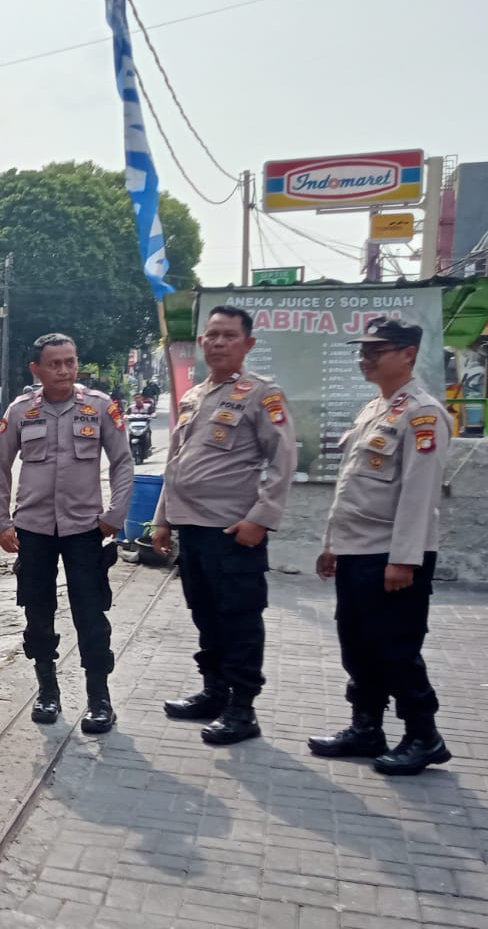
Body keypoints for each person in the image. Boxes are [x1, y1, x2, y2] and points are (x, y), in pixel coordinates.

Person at [311, 318, 453, 775]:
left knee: (395, 647)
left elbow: (419, 493)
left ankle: (423, 736)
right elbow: (352, 487)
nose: (365, 356)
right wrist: (333, 544)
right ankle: (367, 728)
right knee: (357, 644)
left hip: (392, 556)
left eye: (378, 349)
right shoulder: (376, 408)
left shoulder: (423, 414)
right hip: (357, 550)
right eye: (363, 348)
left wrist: (404, 560)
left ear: (408, 353)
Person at [152, 305, 298, 745]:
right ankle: (214, 692)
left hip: (234, 532)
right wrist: (162, 520)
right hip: (192, 530)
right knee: (206, 616)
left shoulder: (261, 394)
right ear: (201, 343)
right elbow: (176, 465)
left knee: (239, 619)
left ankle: (243, 709)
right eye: (211, 335)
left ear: (247, 344)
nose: (218, 343)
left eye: (228, 335)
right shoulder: (195, 396)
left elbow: (283, 458)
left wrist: (261, 519)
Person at [0, 334, 134, 732]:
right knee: (38, 613)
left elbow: (122, 462)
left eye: (70, 362)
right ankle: (47, 690)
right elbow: (0, 466)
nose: (65, 370)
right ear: (36, 370)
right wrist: (1, 522)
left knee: (90, 613)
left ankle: (99, 698)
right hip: (33, 530)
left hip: (85, 529)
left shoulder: (100, 407)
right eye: (54, 364)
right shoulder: (20, 411)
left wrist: (116, 515)